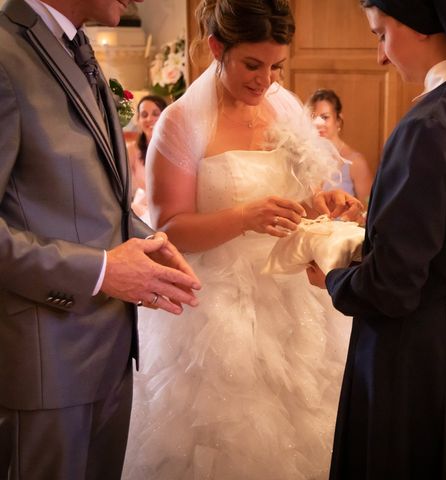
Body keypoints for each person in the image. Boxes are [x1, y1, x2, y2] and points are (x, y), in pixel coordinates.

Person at [123, 0, 361, 478]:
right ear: (217, 48)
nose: (265, 79)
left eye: (276, 66)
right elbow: (169, 229)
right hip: (217, 312)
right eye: (252, 64)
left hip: (294, 300)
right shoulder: (181, 122)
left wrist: (324, 203)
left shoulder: (285, 107)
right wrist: (242, 217)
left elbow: (303, 191)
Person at [306, 0, 446, 478]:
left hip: (414, 344)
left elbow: (393, 283)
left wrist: (333, 276)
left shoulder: (433, 121)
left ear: (419, 26)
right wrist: (375, 220)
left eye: (380, 34)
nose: (380, 56)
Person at [0, 0, 201, 479]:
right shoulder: (5, 54)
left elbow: (92, 199)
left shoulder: (75, 46)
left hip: (109, 358)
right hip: (46, 366)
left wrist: (148, 245)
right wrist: (103, 271)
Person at [306, 88, 374, 204]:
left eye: (325, 117)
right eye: (313, 117)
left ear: (338, 120)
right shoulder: (304, 159)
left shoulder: (356, 162)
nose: (318, 123)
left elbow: (369, 208)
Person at [127, 95, 168, 221]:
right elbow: (126, 188)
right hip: (141, 209)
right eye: (144, 115)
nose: (149, 119)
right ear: (138, 120)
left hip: (168, 208)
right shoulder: (131, 150)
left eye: (156, 114)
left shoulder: (175, 149)